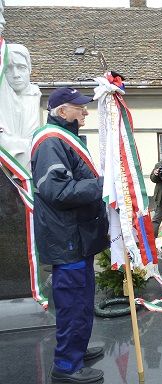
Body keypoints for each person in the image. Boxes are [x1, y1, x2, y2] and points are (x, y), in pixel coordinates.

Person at [32, 87, 108, 383]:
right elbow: (58, 191)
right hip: (67, 238)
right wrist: (104, 185)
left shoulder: (64, 139)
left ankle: (77, 348)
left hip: (77, 236)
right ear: (62, 112)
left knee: (83, 297)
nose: (85, 111)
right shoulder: (51, 141)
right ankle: (66, 366)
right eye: (79, 107)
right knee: (73, 301)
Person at [0, 43, 41, 171]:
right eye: (8, 68)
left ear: (29, 69)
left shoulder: (34, 95)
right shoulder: (4, 96)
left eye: (21, 67)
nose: (16, 74)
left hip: (31, 169)